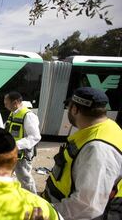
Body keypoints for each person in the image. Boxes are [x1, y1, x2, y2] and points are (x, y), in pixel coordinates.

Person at [43, 87, 122, 220]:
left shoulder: (97, 149)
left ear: (74, 109)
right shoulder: (108, 127)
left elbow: (88, 206)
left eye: (69, 107)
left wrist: (48, 213)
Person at [4, 91, 41, 194]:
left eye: (6, 103)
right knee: (15, 177)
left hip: (22, 155)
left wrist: (16, 145)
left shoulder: (28, 115)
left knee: (25, 178)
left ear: (15, 103)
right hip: (13, 152)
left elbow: (35, 136)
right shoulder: (13, 113)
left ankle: (33, 199)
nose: (5, 105)